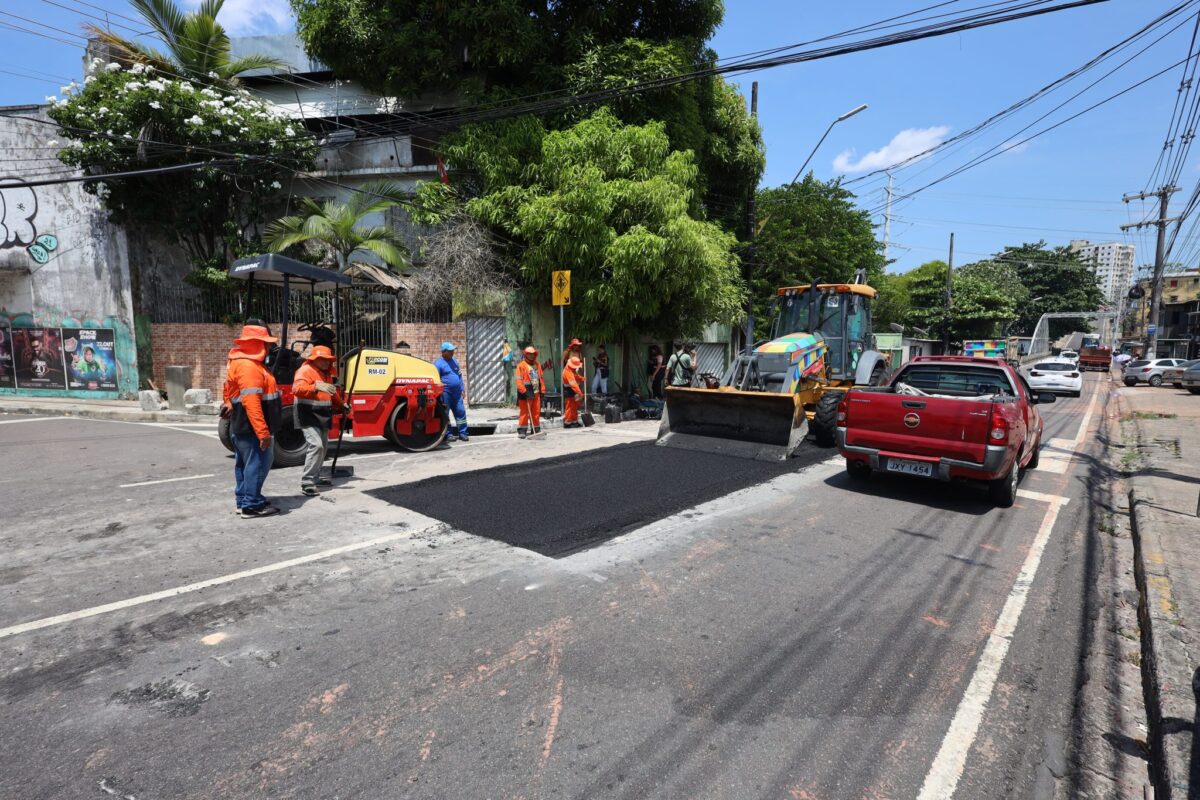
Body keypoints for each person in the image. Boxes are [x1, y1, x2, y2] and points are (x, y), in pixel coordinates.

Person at [222, 323, 283, 518]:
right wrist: (263, 433)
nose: (268, 348)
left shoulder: (239, 362)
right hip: (251, 429)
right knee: (257, 465)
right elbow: (252, 403)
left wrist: (228, 403)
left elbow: (230, 390)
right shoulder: (250, 368)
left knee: (244, 464)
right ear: (257, 344)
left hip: (241, 426)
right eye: (265, 344)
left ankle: (244, 500)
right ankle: (252, 505)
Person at [292, 345, 341, 497]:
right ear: (314, 359)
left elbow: (331, 392)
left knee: (323, 447)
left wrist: (341, 404)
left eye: (328, 360)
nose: (327, 362)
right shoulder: (305, 370)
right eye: (323, 359)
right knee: (316, 445)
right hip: (307, 413)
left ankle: (316, 477)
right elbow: (296, 389)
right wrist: (315, 386)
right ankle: (307, 482)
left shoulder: (326, 373)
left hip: (322, 413)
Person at [434, 342, 469, 442]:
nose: (453, 352)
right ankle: (448, 434)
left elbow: (459, 376)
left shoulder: (454, 361)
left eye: (453, 350)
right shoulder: (438, 364)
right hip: (446, 393)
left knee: (461, 412)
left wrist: (462, 388)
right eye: (450, 351)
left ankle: (463, 433)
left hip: (457, 393)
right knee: (445, 414)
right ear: (444, 352)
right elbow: (436, 379)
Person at [515, 346, 545, 438]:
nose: (532, 356)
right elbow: (518, 381)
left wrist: (543, 390)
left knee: (536, 412)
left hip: (536, 392)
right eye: (529, 354)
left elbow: (541, 378)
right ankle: (522, 430)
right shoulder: (521, 366)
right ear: (526, 355)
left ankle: (535, 428)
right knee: (524, 412)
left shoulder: (537, 364)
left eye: (533, 354)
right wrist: (524, 391)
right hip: (525, 391)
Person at [562, 356, 585, 428]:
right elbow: (573, 384)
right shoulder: (568, 372)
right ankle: (568, 423)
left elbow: (576, 376)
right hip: (569, 390)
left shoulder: (572, 370)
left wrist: (581, 378)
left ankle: (574, 421)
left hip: (572, 390)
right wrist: (579, 393)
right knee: (569, 407)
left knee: (574, 406)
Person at [501, 337, 516, 405]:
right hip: (506, 361)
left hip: (506, 361)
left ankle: (506, 398)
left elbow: (510, 351)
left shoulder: (506, 345)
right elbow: (510, 351)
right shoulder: (506, 345)